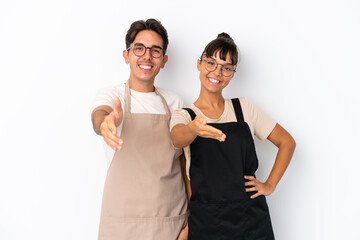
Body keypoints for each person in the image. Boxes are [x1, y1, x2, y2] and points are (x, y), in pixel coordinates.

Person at [170, 33, 296, 239]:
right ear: (199, 64)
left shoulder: (244, 108)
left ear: (232, 74)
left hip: (250, 219)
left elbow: (287, 142)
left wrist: (269, 185)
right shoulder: (184, 115)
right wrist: (194, 129)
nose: (217, 72)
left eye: (226, 68)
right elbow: (177, 138)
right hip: (206, 221)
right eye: (211, 63)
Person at [91, 19, 189, 240]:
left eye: (155, 51)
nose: (147, 56)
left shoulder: (175, 102)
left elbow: (185, 164)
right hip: (121, 224)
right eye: (139, 48)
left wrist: (190, 219)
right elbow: (100, 116)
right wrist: (106, 122)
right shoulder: (112, 96)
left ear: (164, 60)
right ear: (126, 55)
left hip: (170, 221)